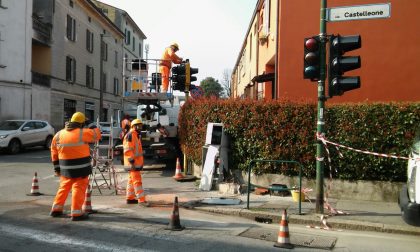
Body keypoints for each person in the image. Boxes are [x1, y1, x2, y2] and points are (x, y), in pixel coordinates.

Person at [49, 112, 101, 221]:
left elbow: (53, 151)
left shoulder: (58, 134)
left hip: (65, 169)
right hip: (81, 168)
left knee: (63, 188)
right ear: (82, 124)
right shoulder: (83, 133)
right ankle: (76, 213)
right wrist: (90, 123)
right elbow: (97, 134)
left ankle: (56, 209)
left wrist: (56, 167)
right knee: (78, 187)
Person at [123, 118, 150, 207]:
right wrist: (132, 163)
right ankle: (141, 200)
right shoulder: (131, 135)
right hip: (132, 164)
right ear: (133, 126)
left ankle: (130, 198)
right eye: (138, 126)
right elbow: (127, 151)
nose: (140, 127)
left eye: (140, 125)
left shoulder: (135, 135)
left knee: (131, 181)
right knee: (137, 182)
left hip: (134, 163)